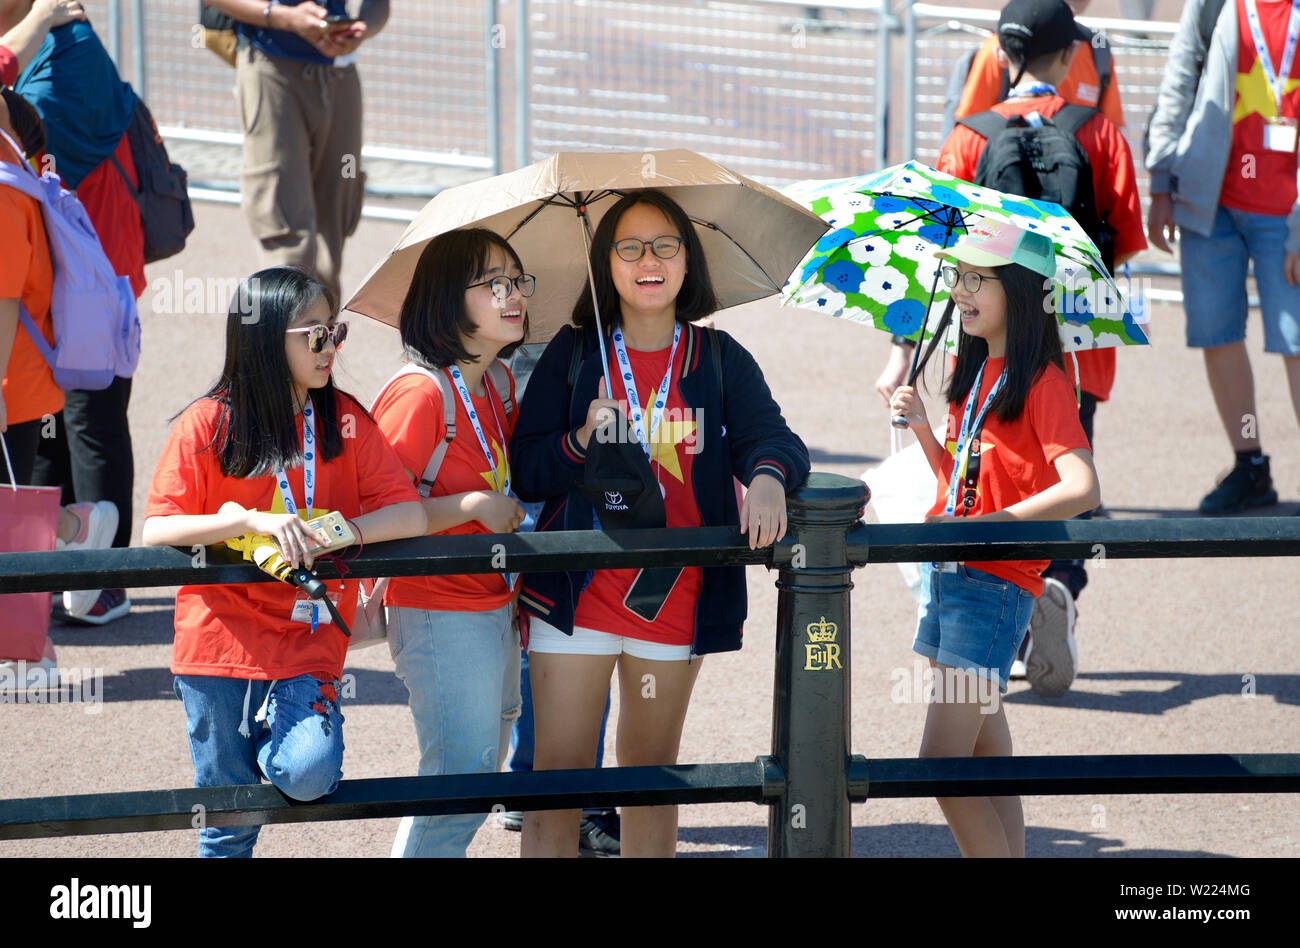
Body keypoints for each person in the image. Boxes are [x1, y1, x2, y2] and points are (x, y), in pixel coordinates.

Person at [509, 190, 811, 858]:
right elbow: (526, 468)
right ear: (607, 263)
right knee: (556, 783)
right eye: (630, 247)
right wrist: (579, 439)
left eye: (665, 245)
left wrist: (765, 478)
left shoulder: (718, 356)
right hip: (577, 598)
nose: (649, 260)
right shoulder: (575, 351)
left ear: (687, 260)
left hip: (673, 598)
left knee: (650, 782)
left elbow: (775, 439)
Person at [891, 0, 1146, 698]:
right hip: (1075, 347)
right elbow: (1122, 234)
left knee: (991, 464)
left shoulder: (970, 137)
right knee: (1065, 468)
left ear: (1002, 57)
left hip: (984, 351)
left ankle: (993, 616)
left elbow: (932, 246)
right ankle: (1056, 583)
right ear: (1070, 59)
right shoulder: (1100, 134)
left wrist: (907, 347)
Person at [142, 266, 426, 858]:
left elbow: (410, 515)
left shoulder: (344, 417)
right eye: (315, 335)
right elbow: (157, 529)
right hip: (217, 644)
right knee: (226, 819)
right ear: (267, 337)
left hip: (307, 639)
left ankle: (278, 721)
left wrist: (341, 531)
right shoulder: (209, 421)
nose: (332, 349)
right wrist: (247, 520)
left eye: (335, 332)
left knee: (307, 774)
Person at [889, 226, 1100, 857]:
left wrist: (1003, 523)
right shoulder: (975, 369)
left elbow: (1084, 487)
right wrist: (926, 432)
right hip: (954, 579)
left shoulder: (1045, 382)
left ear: (1021, 289)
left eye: (978, 279)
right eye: (957, 278)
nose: (961, 291)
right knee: (986, 755)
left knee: (940, 765)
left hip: (995, 585)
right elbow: (964, 484)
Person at [368, 228, 532, 859]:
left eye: (517, 280)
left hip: (492, 600)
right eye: (494, 282)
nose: (512, 294)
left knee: (474, 771)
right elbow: (372, 511)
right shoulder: (419, 392)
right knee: (460, 778)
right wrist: (468, 506)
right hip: (436, 605)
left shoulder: (498, 384)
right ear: (446, 297)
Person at [7, 0, 145, 623]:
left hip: (84, 281)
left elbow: (39, 140)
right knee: (44, 436)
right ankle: (52, 572)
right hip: (60, 281)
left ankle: (103, 578)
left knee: (90, 424)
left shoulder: (65, 55)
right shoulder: (45, 40)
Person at [1147, 0, 1300, 515]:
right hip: (1211, 204)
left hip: (1289, 215)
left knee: (1296, 343)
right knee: (1219, 336)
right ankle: (1250, 462)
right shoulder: (1214, 5)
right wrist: (1161, 180)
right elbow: (1178, 80)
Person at [0, 86, 114, 683]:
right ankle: (74, 526)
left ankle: (25, 654)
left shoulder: (4, 193)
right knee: (7, 514)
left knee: (7, 520)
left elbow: (4, 298)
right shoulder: (18, 181)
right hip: (19, 381)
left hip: (9, 384)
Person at [204, 0, 389, 304]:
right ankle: (286, 342)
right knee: (287, 238)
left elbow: (379, 6)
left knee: (332, 232)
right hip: (272, 68)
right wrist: (284, 18)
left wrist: (362, 29)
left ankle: (320, 342)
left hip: (340, 77)